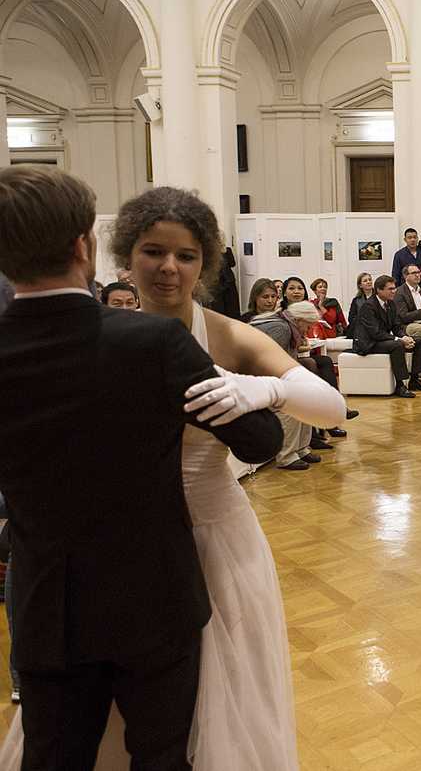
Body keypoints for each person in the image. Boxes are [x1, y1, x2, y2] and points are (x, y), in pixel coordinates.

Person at [0, 166, 284, 770]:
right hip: (152, 597)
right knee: (159, 756)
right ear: (86, 245)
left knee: (51, 757)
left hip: (47, 601)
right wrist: (257, 395)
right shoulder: (150, 343)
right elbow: (260, 442)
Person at [249, 301, 333, 472]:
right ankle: (286, 456)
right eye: (308, 326)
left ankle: (301, 449)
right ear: (300, 320)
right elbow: (268, 361)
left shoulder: (287, 326)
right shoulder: (282, 328)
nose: (308, 330)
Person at [353, 275, 421, 398]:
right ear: (379, 290)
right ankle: (400, 385)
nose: (394, 291)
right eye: (390, 289)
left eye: (394, 288)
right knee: (397, 345)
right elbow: (375, 333)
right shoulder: (368, 306)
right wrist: (399, 339)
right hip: (369, 343)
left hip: (383, 339)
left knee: (420, 341)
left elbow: (396, 327)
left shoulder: (391, 304)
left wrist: (405, 337)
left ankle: (415, 380)